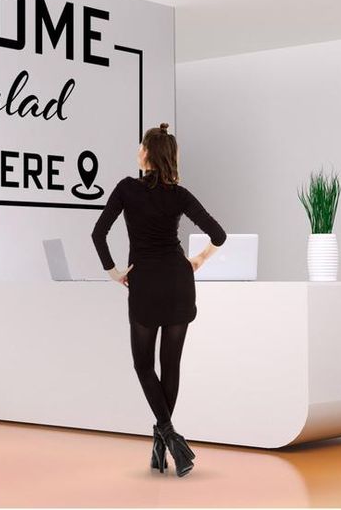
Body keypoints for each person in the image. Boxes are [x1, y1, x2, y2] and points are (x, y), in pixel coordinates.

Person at [90, 122, 227, 477]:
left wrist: (114, 271)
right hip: (179, 282)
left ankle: (169, 435)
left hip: (146, 283)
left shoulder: (126, 188)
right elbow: (219, 234)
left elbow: (98, 233)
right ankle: (164, 441)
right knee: (171, 366)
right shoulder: (179, 194)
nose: (137, 151)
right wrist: (196, 261)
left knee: (142, 364)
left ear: (148, 154)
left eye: (140, 147)